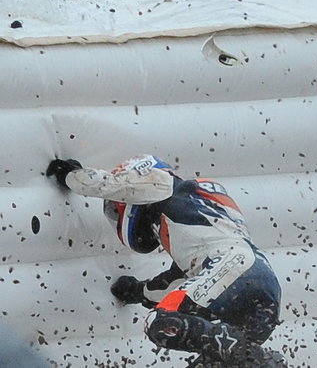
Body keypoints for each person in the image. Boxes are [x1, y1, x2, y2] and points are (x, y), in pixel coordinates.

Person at [44, 154, 286, 368]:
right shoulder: (197, 222)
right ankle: (254, 357)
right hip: (263, 288)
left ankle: (264, 361)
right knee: (217, 361)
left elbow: (110, 184)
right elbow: (173, 286)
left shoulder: (164, 182)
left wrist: (72, 175)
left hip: (232, 266)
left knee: (159, 322)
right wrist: (136, 291)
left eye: (116, 210)